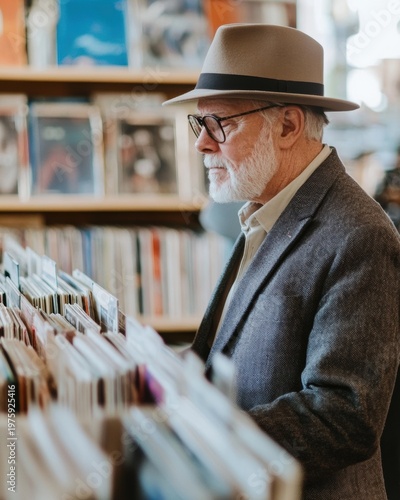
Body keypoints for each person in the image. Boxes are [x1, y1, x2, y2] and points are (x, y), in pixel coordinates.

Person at [163, 24, 400, 500]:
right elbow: (225, 352)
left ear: (288, 125)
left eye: (219, 124)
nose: (201, 144)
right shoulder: (261, 208)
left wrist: (204, 433)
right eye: (199, 123)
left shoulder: (360, 235)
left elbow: (344, 415)